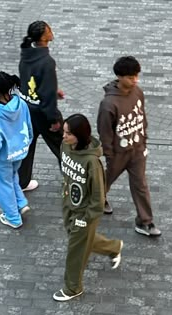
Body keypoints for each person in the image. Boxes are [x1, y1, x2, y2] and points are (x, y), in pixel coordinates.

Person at [53, 114, 123, 302]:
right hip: (68, 205)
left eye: (68, 133)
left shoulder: (92, 163)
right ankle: (114, 247)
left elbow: (98, 198)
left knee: (75, 251)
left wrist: (85, 219)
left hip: (84, 213)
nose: (64, 136)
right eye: (64, 131)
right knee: (81, 241)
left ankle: (72, 287)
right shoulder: (65, 147)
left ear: (80, 136)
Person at [97, 56, 161, 237]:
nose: (135, 80)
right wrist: (109, 155)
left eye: (136, 76)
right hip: (117, 154)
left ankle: (144, 221)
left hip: (137, 150)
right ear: (119, 76)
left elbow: (142, 118)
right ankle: (97, 200)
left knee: (141, 185)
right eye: (131, 77)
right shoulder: (108, 104)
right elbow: (105, 131)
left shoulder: (138, 92)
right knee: (105, 181)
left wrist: (143, 141)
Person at [0, 72, 33, 228]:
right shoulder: (22, 104)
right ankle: (20, 202)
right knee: (13, 177)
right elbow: (29, 128)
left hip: (3, 157)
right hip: (19, 151)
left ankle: (13, 217)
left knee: (3, 184)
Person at [18, 20, 64, 192]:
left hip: (27, 108)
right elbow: (46, 95)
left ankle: (22, 181)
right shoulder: (47, 61)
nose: (52, 31)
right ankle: (71, 179)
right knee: (63, 146)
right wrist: (53, 119)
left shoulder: (27, 54)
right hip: (43, 112)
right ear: (44, 37)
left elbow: (29, 78)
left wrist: (52, 89)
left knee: (28, 146)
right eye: (49, 30)